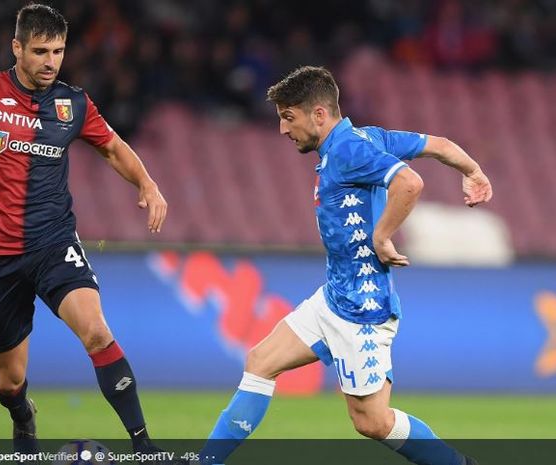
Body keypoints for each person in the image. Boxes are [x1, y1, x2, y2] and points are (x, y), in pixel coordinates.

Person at [0, 3, 171, 458]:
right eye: (40, 51)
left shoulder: (72, 103)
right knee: (9, 380)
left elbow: (114, 148)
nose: (50, 61)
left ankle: (144, 445)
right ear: (17, 47)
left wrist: (147, 183)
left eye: (58, 51)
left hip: (52, 242)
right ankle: (23, 414)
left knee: (97, 332)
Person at [200, 66, 492, 465]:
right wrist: (471, 171)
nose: (284, 130)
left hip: (363, 311)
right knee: (261, 361)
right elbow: (438, 144)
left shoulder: (349, 149)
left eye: (289, 117)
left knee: (372, 422)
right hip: (334, 299)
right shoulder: (367, 138)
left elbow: (410, 183)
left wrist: (382, 235)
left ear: (319, 114)